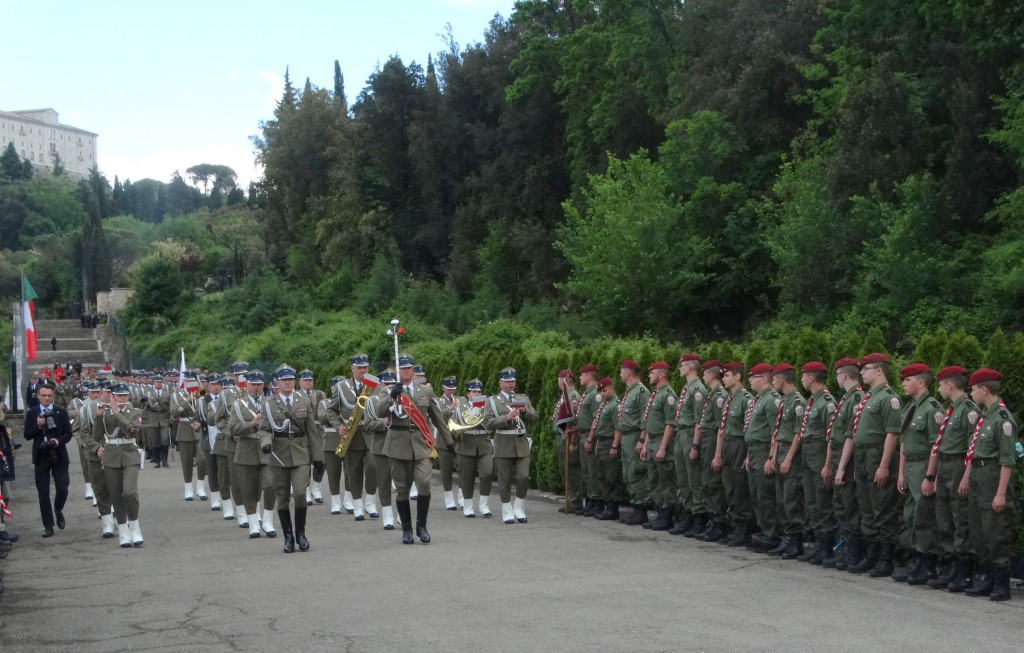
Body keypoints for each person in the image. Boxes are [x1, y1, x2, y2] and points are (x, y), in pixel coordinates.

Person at [962, 368, 1018, 601]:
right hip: (978, 476)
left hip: (993, 479)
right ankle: (986, 577)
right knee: (979, 531)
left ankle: (1001, 583)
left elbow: (1007, 459)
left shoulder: (1003, 419)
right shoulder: (985, 415)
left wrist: (1001, 493)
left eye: (973, 389)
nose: (971, 394)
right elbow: (973, 451)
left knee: (995, 531)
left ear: (984, 389)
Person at [384, 354, 452, 543]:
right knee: (402, 488)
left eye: (410, 367)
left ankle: (421, 526)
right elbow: (379, 412)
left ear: (413, 370)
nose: (407, 370)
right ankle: (406, 529)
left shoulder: (425, 392)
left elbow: (437, 417)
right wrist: (392, 396)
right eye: (403, 368)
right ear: (398, 371)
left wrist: (449, 442)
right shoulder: (390, 391)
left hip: (421, 445)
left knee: (423, 483)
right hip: (398, 445)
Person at [923, 366, 978, 591]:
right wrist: (934, 474)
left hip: (958, 465)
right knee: (944, 517)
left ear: (950, 384)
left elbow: (973, 449)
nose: (938, 389)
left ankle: (963, 570)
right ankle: (948, 565)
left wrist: (965, 476)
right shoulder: (951, 410)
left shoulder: (969, 410)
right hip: (945, 465)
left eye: (940, 384)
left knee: (960, 517)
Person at [848, 353, 902, 577]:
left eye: (866, 368)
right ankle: (871, 554)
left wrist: (884, 465)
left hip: (877, 454)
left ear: (879, 370)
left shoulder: (889, 398)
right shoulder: (868, 397)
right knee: (867, 506)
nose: (861, 372)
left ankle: (885, 558)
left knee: (882, 506)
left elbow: (892, 433)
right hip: (862, 455)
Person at [258, 365, 323, 553]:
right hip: (278, 454)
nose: (288, 382)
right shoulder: (269, 404)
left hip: (301, 453)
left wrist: (317, 457)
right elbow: (263, 429)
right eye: (284, 379)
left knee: (301, 493)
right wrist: (265, 443)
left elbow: (312, 431)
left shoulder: (303, 401)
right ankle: (288, 537)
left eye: (290, 379)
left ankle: (301, 533)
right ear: (277, 382)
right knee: (282, 497)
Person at [893, 363, 942, 584]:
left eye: (907, 380)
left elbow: (936, 445)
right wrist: (901, 473)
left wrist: (931, 476)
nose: (903, 384)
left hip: (923, 466)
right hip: (910, 466)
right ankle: (915, 560)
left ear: (921, 382)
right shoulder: (910, 407)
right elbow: (904, 442)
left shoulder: (932, 409)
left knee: (924, 517)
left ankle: (927, 564)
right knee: (910, 516)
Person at [90, 384, 145, 547]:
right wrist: (99, 417)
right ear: (112, 396)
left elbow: (132, 431)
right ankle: (123, 531)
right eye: (119, 396)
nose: (122, 399)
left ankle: (134, 527)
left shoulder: (135, 412)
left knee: (129, 492)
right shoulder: (105, 413)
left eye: (125, 396)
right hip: (111, 456)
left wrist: (116, 412)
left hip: (130, 454)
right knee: (116, 495)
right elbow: (97, 436)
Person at [822, 358, 864, 570]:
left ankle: (852, 550)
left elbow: (851, 436)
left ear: (844, 375)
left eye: (838, 375)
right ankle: (843, 546)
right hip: (839, 454)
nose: (836, 379)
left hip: (847, 459)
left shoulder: (857, 398)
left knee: (849, 505)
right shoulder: (846, 399)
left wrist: (840, 468)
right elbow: (834, 436)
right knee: (840, 504)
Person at [483, 367, 539, 525]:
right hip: (503, 443)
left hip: (521, 443)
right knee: (504, 480)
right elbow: (487, 423)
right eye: (507, 381)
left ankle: (519, 507)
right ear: (500, 382)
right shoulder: (492, 401)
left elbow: (535, 417)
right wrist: (506, 417)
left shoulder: (523, 398)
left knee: (523, 476)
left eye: (513, 381)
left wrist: (525, 412)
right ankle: (507, 510)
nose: (511, 384)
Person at [794, 361, 837, 564]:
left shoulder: (827, 402)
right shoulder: (812, 401)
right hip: (808, 453)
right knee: (811, 501)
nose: (801, 380)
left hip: (819, 454)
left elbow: (831, 437)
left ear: (811, 378)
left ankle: (826, 547)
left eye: (803, 376)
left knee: (822, 501)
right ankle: (817, 543)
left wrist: (828, 464)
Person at [23, 381, 73, 538]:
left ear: (53, 396)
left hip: (58, 454)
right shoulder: (32, 413)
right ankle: (48, 525)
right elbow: (27, 435)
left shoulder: (61, 412)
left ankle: (58, 509)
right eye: (43, 395)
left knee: (62, 488)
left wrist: (58, 441)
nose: (46, 398)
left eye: (49, 396)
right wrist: (38, 426)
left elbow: (68, 433)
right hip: (41, 456)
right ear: (38, 396)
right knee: (43, 492)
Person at [767, 363, 806, 559]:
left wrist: (788, 458)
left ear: (781, 379)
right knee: (781, 499)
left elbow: (799, 433)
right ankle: (787, 537)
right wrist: (774, 456)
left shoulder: (798, 402)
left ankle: (795, 541)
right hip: (781, 449)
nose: (772, 382)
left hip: (791, 453)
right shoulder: (784, 401)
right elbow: (778, 432)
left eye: (774, 379)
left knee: (791, 499)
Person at [742, 362, 781, 553]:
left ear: (764, 379)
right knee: (756, 493)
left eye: (753, 377)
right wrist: (749, 455)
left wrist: (771, 457)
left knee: (765, 495)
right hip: (754, 450)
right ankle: (762, 530)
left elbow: (776, 431)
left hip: (765, 450)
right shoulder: (758, 399)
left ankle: (770, 534)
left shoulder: (772, 399)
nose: (749, 380)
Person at [669, 354, 706, 535]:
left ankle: (698, 516)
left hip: (691, 433)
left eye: (682, 365)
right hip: (681, 433)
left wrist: (695, 445)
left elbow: (699, 420)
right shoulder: (686, 388)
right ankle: (689, 512)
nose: (679, 368)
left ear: (691, 367)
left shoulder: (698, 390)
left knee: (694, 479)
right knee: (683, 478)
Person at [230, 371, 271, 538]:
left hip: (267, 450)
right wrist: (251, 424)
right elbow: (233, 428)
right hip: (246, 450)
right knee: (249, 490)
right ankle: (253, 522)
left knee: (269, 486)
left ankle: (267, 521)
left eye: (259, 384)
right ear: (246, 386)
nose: (256, 387)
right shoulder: (238, 405)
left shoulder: (270, 403)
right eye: (253, 384)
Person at [639, 361, 677, 531]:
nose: (649, 376)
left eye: (652, 373)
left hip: (662, 441)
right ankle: (659, 511)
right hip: (652, 440)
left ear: (661, 374)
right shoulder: (655, 394)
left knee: (665, 481)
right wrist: (646, 444)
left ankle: (667, 515)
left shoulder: (668, 395)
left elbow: (670, 423)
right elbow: (649, 423)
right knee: (654, 479)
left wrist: (662, 448)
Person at [613, 360, 651, 526]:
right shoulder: (630, 392)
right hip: (626, 436)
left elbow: (646, 418)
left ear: (628, 372)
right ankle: (635, 505)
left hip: (636, 435)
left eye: (622, 371)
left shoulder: (641, 391)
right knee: (628, 472)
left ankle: (641, 508)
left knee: (636, 471)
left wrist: (642, 440)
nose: (620, 374)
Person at [454, 378, 493, 518]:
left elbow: (492, 423)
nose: (477, 393)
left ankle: (484, 505)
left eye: (479, 391)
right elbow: (455, 426)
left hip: (484, 443)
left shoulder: (488, 406)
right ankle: (468, 506)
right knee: (466, 477)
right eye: (474, 391)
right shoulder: (460, 408)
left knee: (487, 473)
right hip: (466, 444)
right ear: (468, 394)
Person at [591, 377, 623, 520]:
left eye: (604, 390)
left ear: (612, 389)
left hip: (610, 442)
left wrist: (614, 446)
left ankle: (613, 507)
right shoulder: (605, 405)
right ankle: (607, 504)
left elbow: (618, 428)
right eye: (600, 391)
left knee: (611, 476)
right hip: (602, 442)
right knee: (601, 475)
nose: (602, 394)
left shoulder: (615, 405)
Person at [552, 370, 582, 514]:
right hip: (562, 437)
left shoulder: (572, 395)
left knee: (572, 470)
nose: (558, 382)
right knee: (565, 469)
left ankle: (575, 500)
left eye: (559, 379)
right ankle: (570, 499)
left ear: (565, 380)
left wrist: (573, 439)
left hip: (569, 437)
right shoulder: (564, 396)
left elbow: (574, 417)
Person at [298, 370, 327, 506]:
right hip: (303, 432)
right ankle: (307, 491)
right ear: (300, 382)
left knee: (320, 461)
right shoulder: (296, 395)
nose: (308, 383)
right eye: (305, 380)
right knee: (305, 463)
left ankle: (316, 488)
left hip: (318, 431)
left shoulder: (320, 394)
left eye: (310, 380)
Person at [576, 365, 601, 516]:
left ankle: (597, 501)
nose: (580, 378)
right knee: (586, 471)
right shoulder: (587, 393)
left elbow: (596, 419)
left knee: (593, 470)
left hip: (590, 436)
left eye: (582, 375)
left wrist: (591, 439)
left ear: (589, 376)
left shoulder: (596, 394)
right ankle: (591, 499)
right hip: (582, 434)